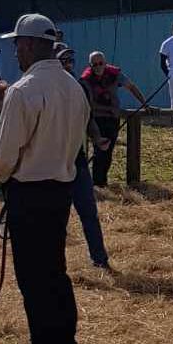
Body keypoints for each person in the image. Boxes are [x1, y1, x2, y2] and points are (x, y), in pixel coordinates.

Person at [0, 13, 90, 344]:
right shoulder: (73, 88)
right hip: (61, 189)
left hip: (29, 192)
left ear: (31, 44)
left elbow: (3, 158)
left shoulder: (23, 91)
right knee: (55, 273)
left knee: (34, 281)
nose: (15, 50)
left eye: (17, 43)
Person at [56, 45, 111, 268]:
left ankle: (100, 259)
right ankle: (55, 263)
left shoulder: (80, 87)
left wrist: (97, 139)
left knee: (89, 213)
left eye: (70, 60)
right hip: (53, 164)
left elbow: (87, 118)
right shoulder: (46, 88)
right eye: (63, 60)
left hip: (77, 161)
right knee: (57, 218)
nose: (68, 64)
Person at [82, 50, 148, 185]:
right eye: (95, 65)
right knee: (99, 150)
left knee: (108, 151)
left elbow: (131, 87)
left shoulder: (115, 74)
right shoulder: (86, 79)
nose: (98, 67)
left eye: (101, 63)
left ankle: (101, 181)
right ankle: (97, 183)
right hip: (96, 119)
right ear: (90, 66)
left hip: (112, 118)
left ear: (105, 63)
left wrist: (145, 104)